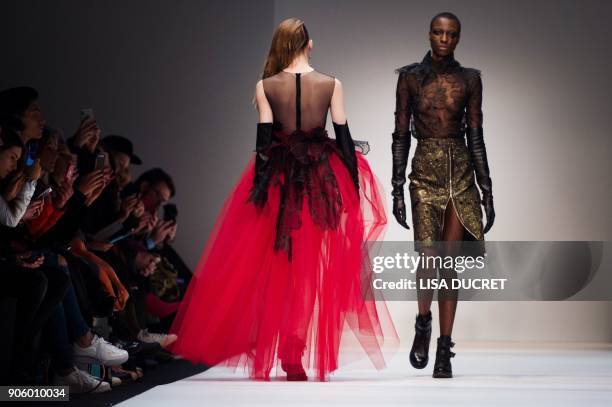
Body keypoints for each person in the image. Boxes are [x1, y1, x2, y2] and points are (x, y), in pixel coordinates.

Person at [169, 18, 398, 381]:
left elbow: (263, 145)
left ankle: (276, 344)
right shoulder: (331, 84)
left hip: (278, 181)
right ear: (309, 44)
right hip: (321, 180)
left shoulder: (265, 86)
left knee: (279, 267)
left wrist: (258, 193)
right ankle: (294, 350)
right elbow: (343, 139)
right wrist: (352, 190)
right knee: (310, 270)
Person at [391, 12, 495, 378]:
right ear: (429, 34)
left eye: (450, 33)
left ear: (458, 38)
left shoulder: (470, 80)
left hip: (461, 170)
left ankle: (444, 350)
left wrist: (487, 188)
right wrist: (397, 187)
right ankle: (423, 322)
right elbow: (400, 133)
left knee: (449, 262)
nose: (444, 39)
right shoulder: (410, 78)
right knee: (427, 255)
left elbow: (476, 135)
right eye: (438, 31)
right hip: (424, 171)